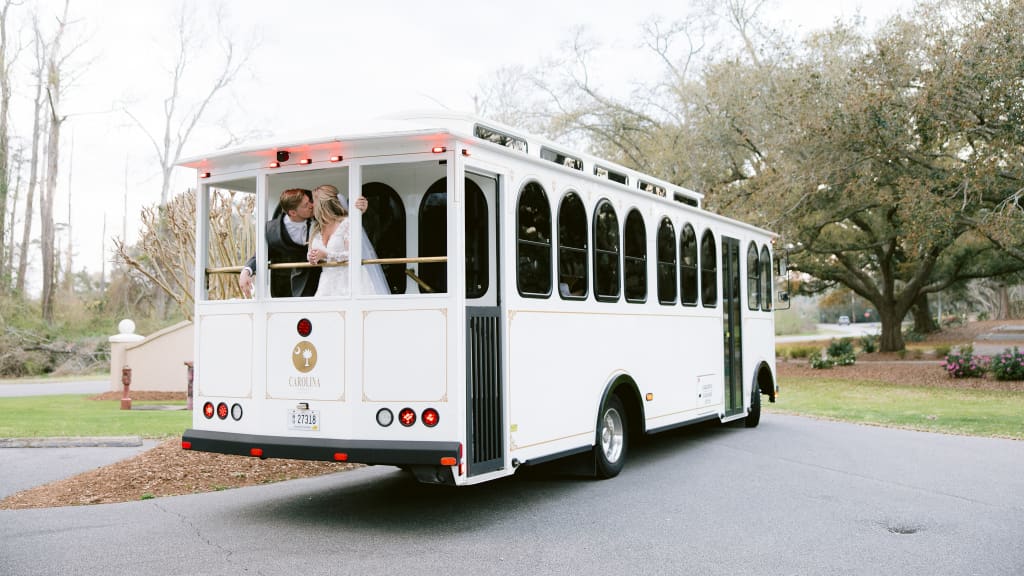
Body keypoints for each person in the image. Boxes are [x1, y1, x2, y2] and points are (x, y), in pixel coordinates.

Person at [306, 184, 390, 296]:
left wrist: (326, 255)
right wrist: (311, 257)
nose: (311, 205)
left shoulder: (346, 223)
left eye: (313, 201)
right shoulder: (315, 227)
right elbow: (311, 253)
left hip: (350, 280)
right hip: (327, 281)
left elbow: (353, 254)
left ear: (322, 204)